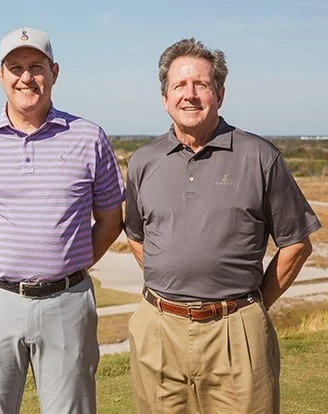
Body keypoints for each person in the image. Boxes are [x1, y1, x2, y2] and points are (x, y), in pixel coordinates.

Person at [125, 38, 322, 413]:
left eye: (201, 84)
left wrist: (253, 305)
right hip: (158, 330)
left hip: (236, 330)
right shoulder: (143, 161)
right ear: (164, 98)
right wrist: (169, 280)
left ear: (220, 93)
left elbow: (297, 244)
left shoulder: (259, 156)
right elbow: (135, 235)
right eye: (179, 85)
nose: (190, 94)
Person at [0, 27, 125, 413]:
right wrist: (3, 259)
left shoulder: (89, 137)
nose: (26, 77)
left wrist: (66, 263)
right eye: (15, 67)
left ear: (55, 72)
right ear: (0, 75)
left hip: (67, 302)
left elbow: (111, 219)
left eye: (36, 67)